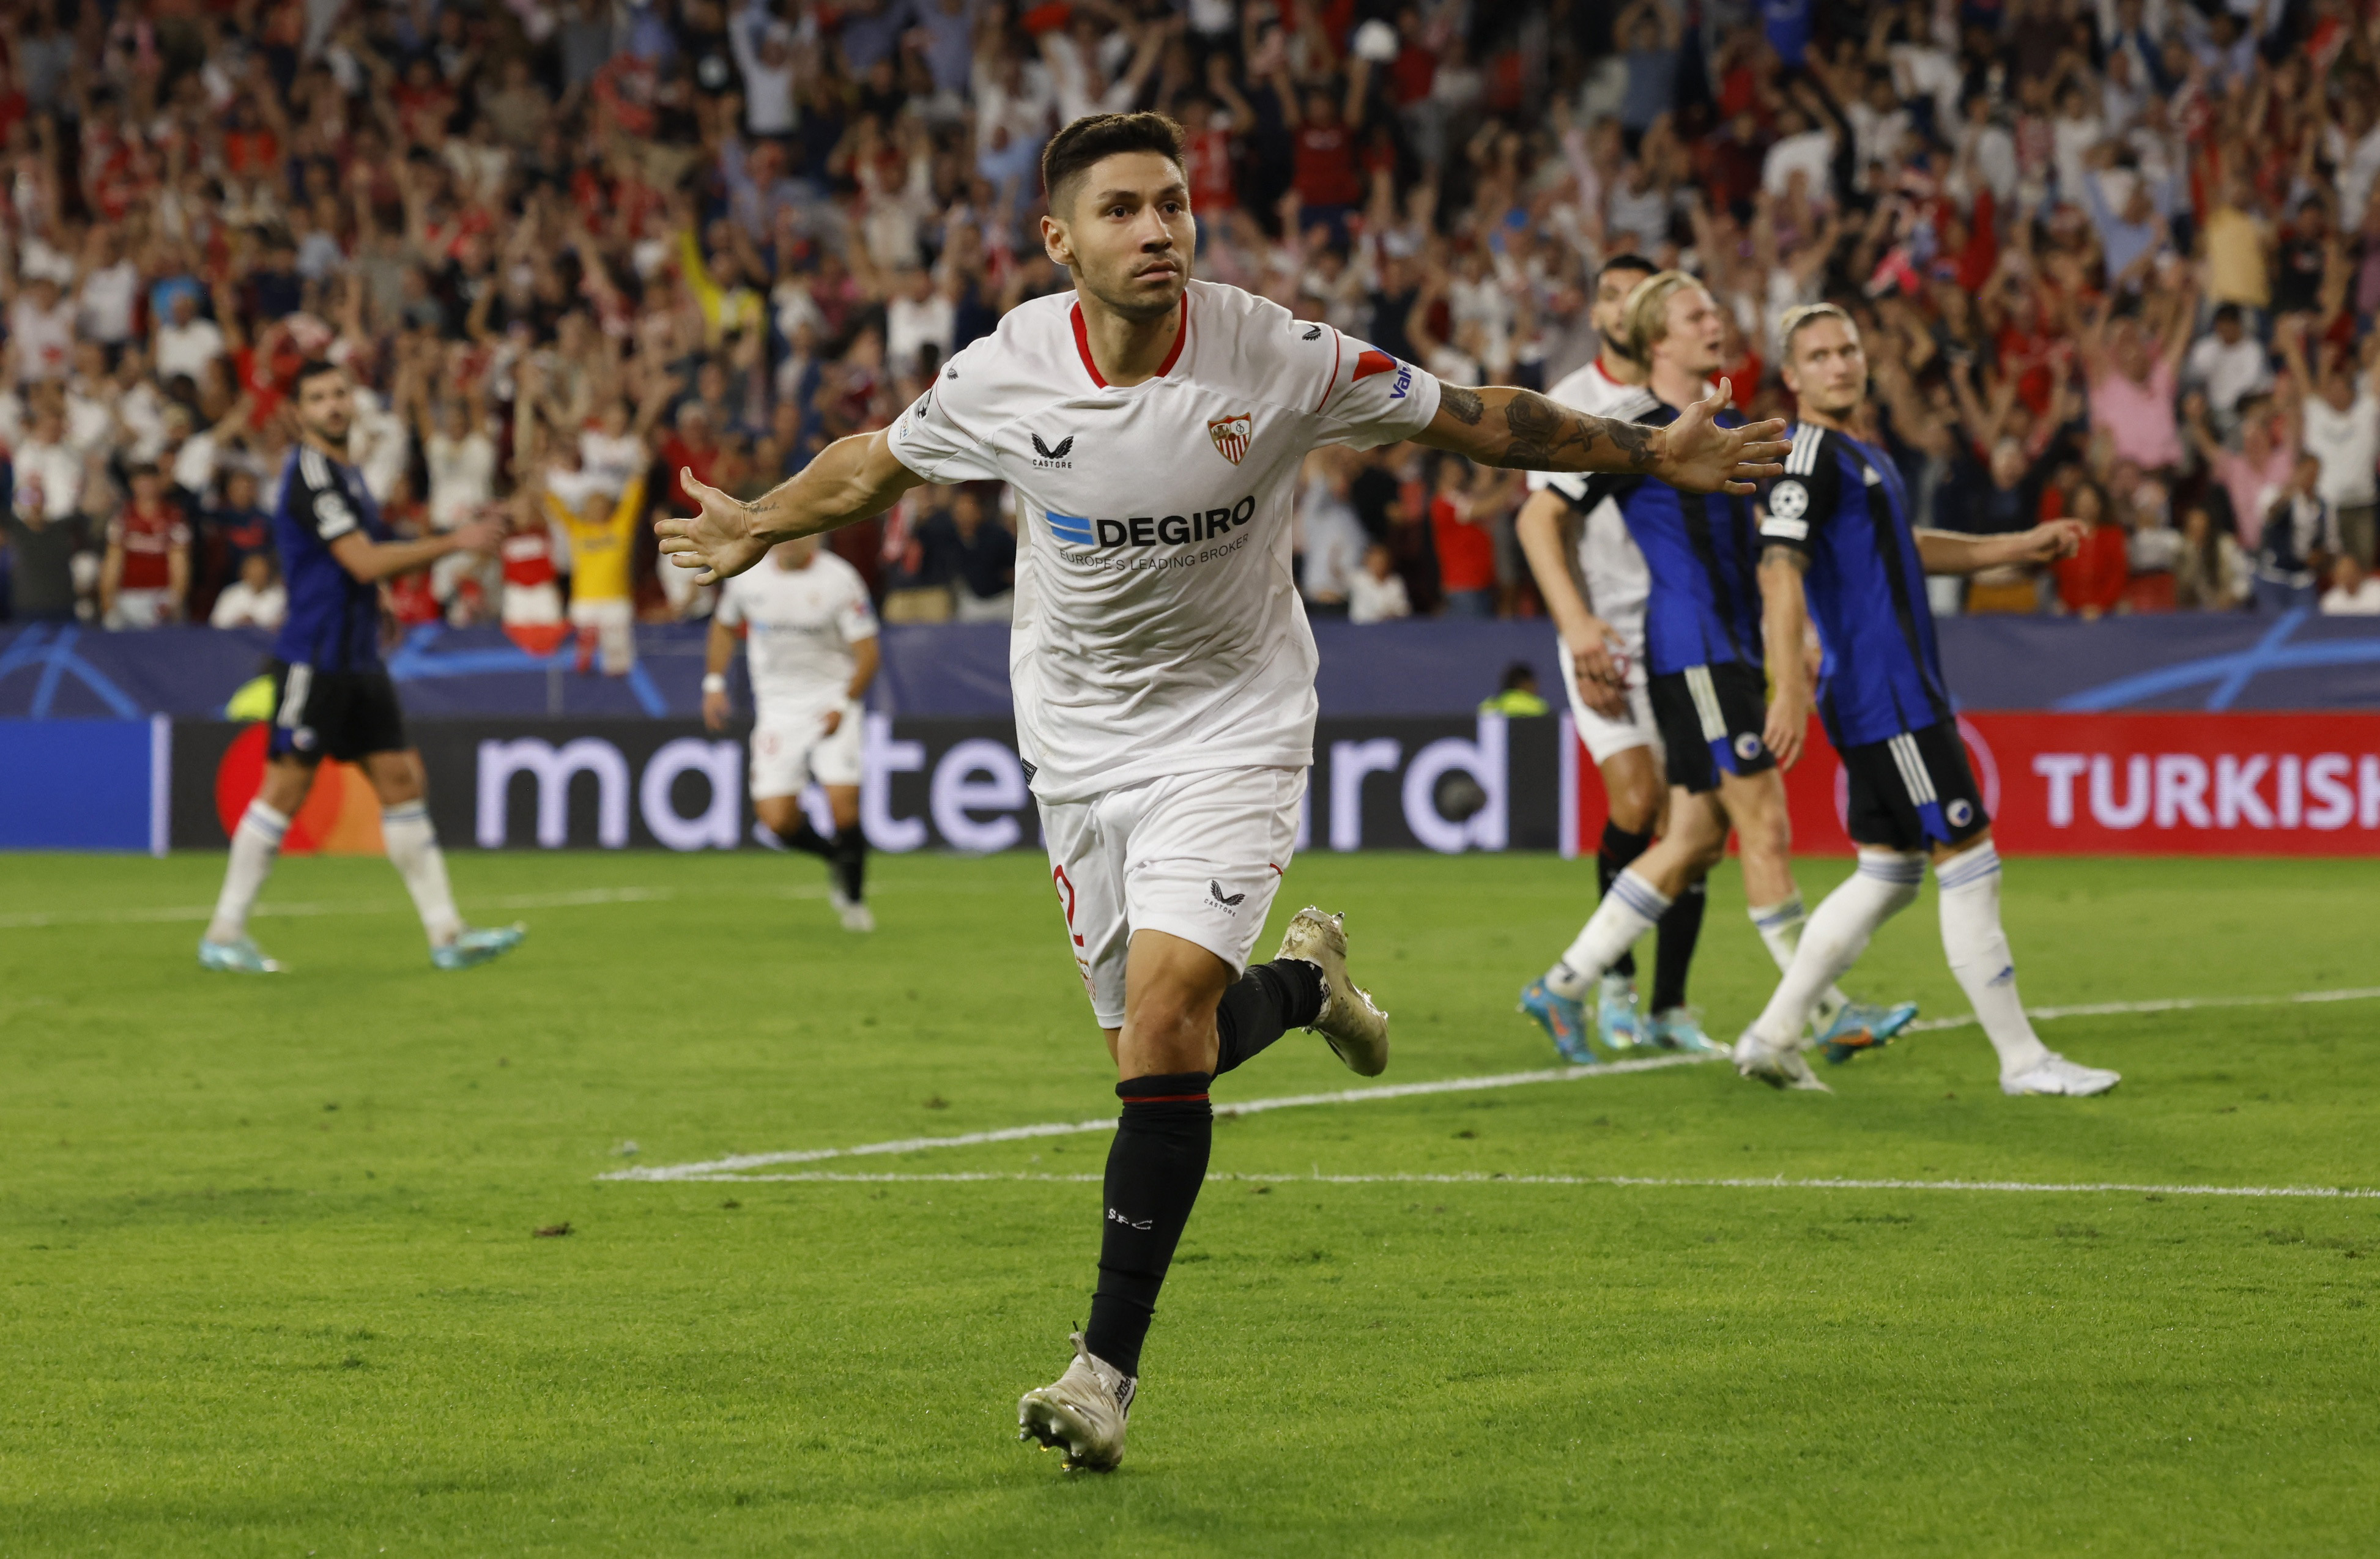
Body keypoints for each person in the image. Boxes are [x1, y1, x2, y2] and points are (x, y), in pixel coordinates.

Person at [656, 113, 1785, 1474]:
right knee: (1149, 1044)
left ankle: (1102, 1371)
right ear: (1060, 241)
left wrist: (1647, 449)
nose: (1159, 232)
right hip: (1076, 743)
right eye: (1124, 210)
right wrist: (762, 518)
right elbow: (873, 462)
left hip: (1234, 724)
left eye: (1175, 205)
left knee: (1167, 1008)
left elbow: (1480, 419)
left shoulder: (1278, 352)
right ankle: (1308, 988)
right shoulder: (1006, 371)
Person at [1731, 304, 2120, 1097]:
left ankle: (1771, 1036)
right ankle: (2022, 1061)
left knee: (1887, 874)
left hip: (1891, 691)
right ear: (1793, 376)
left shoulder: (1857, 454)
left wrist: (2015, 547)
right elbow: (1778, 569)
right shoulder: (1805, 455)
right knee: (1968, 862)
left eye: (1847, 350)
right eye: (1819, 354)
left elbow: (1899, 549)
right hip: (1888, 695)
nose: (1839, 364)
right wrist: (1787, 683)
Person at [1515, 272, 1899, 1071]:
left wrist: (1789, 635)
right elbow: (1536, 515)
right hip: (1693, 652)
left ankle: (1563, 982)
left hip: (1728, 650)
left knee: (1694, 835)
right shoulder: (1631, 428)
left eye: (1715, 307)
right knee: (1765, 826)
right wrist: (1576, 621)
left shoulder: (1727, 425)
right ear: (1658, 339)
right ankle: (1820, 1011)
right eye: (1697, 313)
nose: (1715, 321)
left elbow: (1765, 546)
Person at [198, 361, 524, 976]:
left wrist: (375, 602)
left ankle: (447, 932)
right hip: (315, 658)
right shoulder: (314, 474)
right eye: (318, 397)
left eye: (340, 393)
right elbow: (362, 559)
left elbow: (351, 562)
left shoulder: (347, 473)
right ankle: (224, 931)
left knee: (401, 780)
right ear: (298, 412)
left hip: (357, 657)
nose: (333, 405)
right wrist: (455, 541)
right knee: (285, 791)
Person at [1513, 252, 1719, 1057]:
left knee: (1690, 819)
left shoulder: (1694, 405)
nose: (1623, 308)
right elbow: (1545, 521)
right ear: (1601, 316)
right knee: (1637, 804)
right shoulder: (1573, 403)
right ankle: (1615, 985)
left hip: (1678, 632)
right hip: (1599, 631)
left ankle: (1669, 1004)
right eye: (1609, 297)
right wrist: (1576, 627)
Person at [703, 535, 882, 933]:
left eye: (799, 531)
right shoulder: (747, 575)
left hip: (832, 701)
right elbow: (723, 625)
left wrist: (845, 703)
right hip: (778, 710)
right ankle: (835, 857)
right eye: (784, 532)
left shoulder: (840, 579)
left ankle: (854, 902)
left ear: (816, 535)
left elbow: (868, 652)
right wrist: (714, 683)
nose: (789, 541)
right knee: (777, 819)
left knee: (844, 805)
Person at [100, 462, 191, 628]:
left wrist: (175, 599)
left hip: (161, 595)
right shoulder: (122, 517)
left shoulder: (173, 517)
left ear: (158, 483)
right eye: (141, 482)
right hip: (128, 595)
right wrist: (108, 601)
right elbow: (113, 562)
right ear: (133, 485)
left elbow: (179, 564)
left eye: (150, 482)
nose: (146, 488)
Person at [208, 549, 286, 629]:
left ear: (268, 571)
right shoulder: (231, 593)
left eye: (261, 570)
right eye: (253, 570)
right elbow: (216, 623)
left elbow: (283, 624)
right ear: (244, 572)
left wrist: (255, 622)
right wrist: (238, 622)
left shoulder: (280, 596)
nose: (257, 574)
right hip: (232, 639)